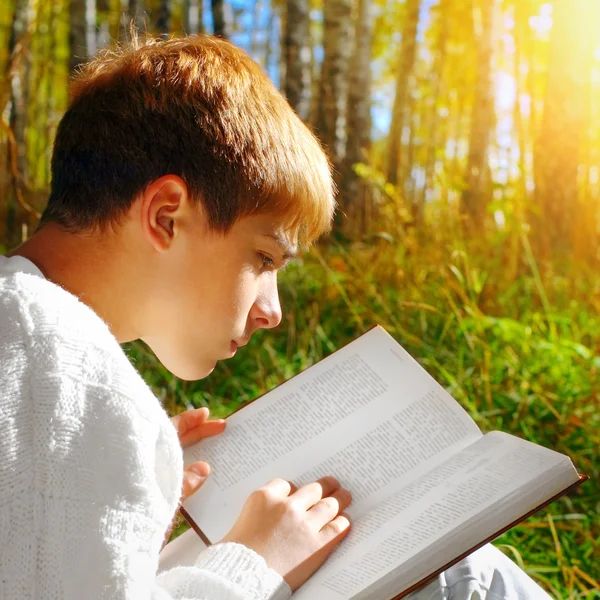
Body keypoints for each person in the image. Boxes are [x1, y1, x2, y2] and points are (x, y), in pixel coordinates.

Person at [0, 35, 553, 600]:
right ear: (167, 217)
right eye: (263, 259)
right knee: (458, 574)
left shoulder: (32, 347)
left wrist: (126, 485)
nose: (273, 310)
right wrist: (251, 564)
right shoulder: (72, 385)